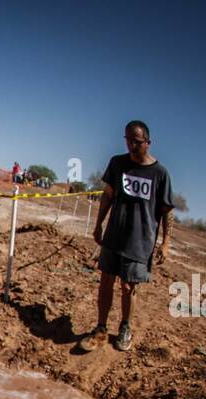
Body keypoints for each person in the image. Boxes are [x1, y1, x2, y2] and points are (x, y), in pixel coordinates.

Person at [81, 120, 174, 353]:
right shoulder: (117, 163)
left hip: (141, 241)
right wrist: (98, 224)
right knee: (105, 282)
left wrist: (166, 243)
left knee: (128, 286)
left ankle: (125, 327)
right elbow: (108, 195)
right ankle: (100, 328)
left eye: (137, 141)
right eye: (128, 139)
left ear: (148, 143)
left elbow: (166, 211)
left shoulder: (160, 174)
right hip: (114, 234)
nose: (132, 145)